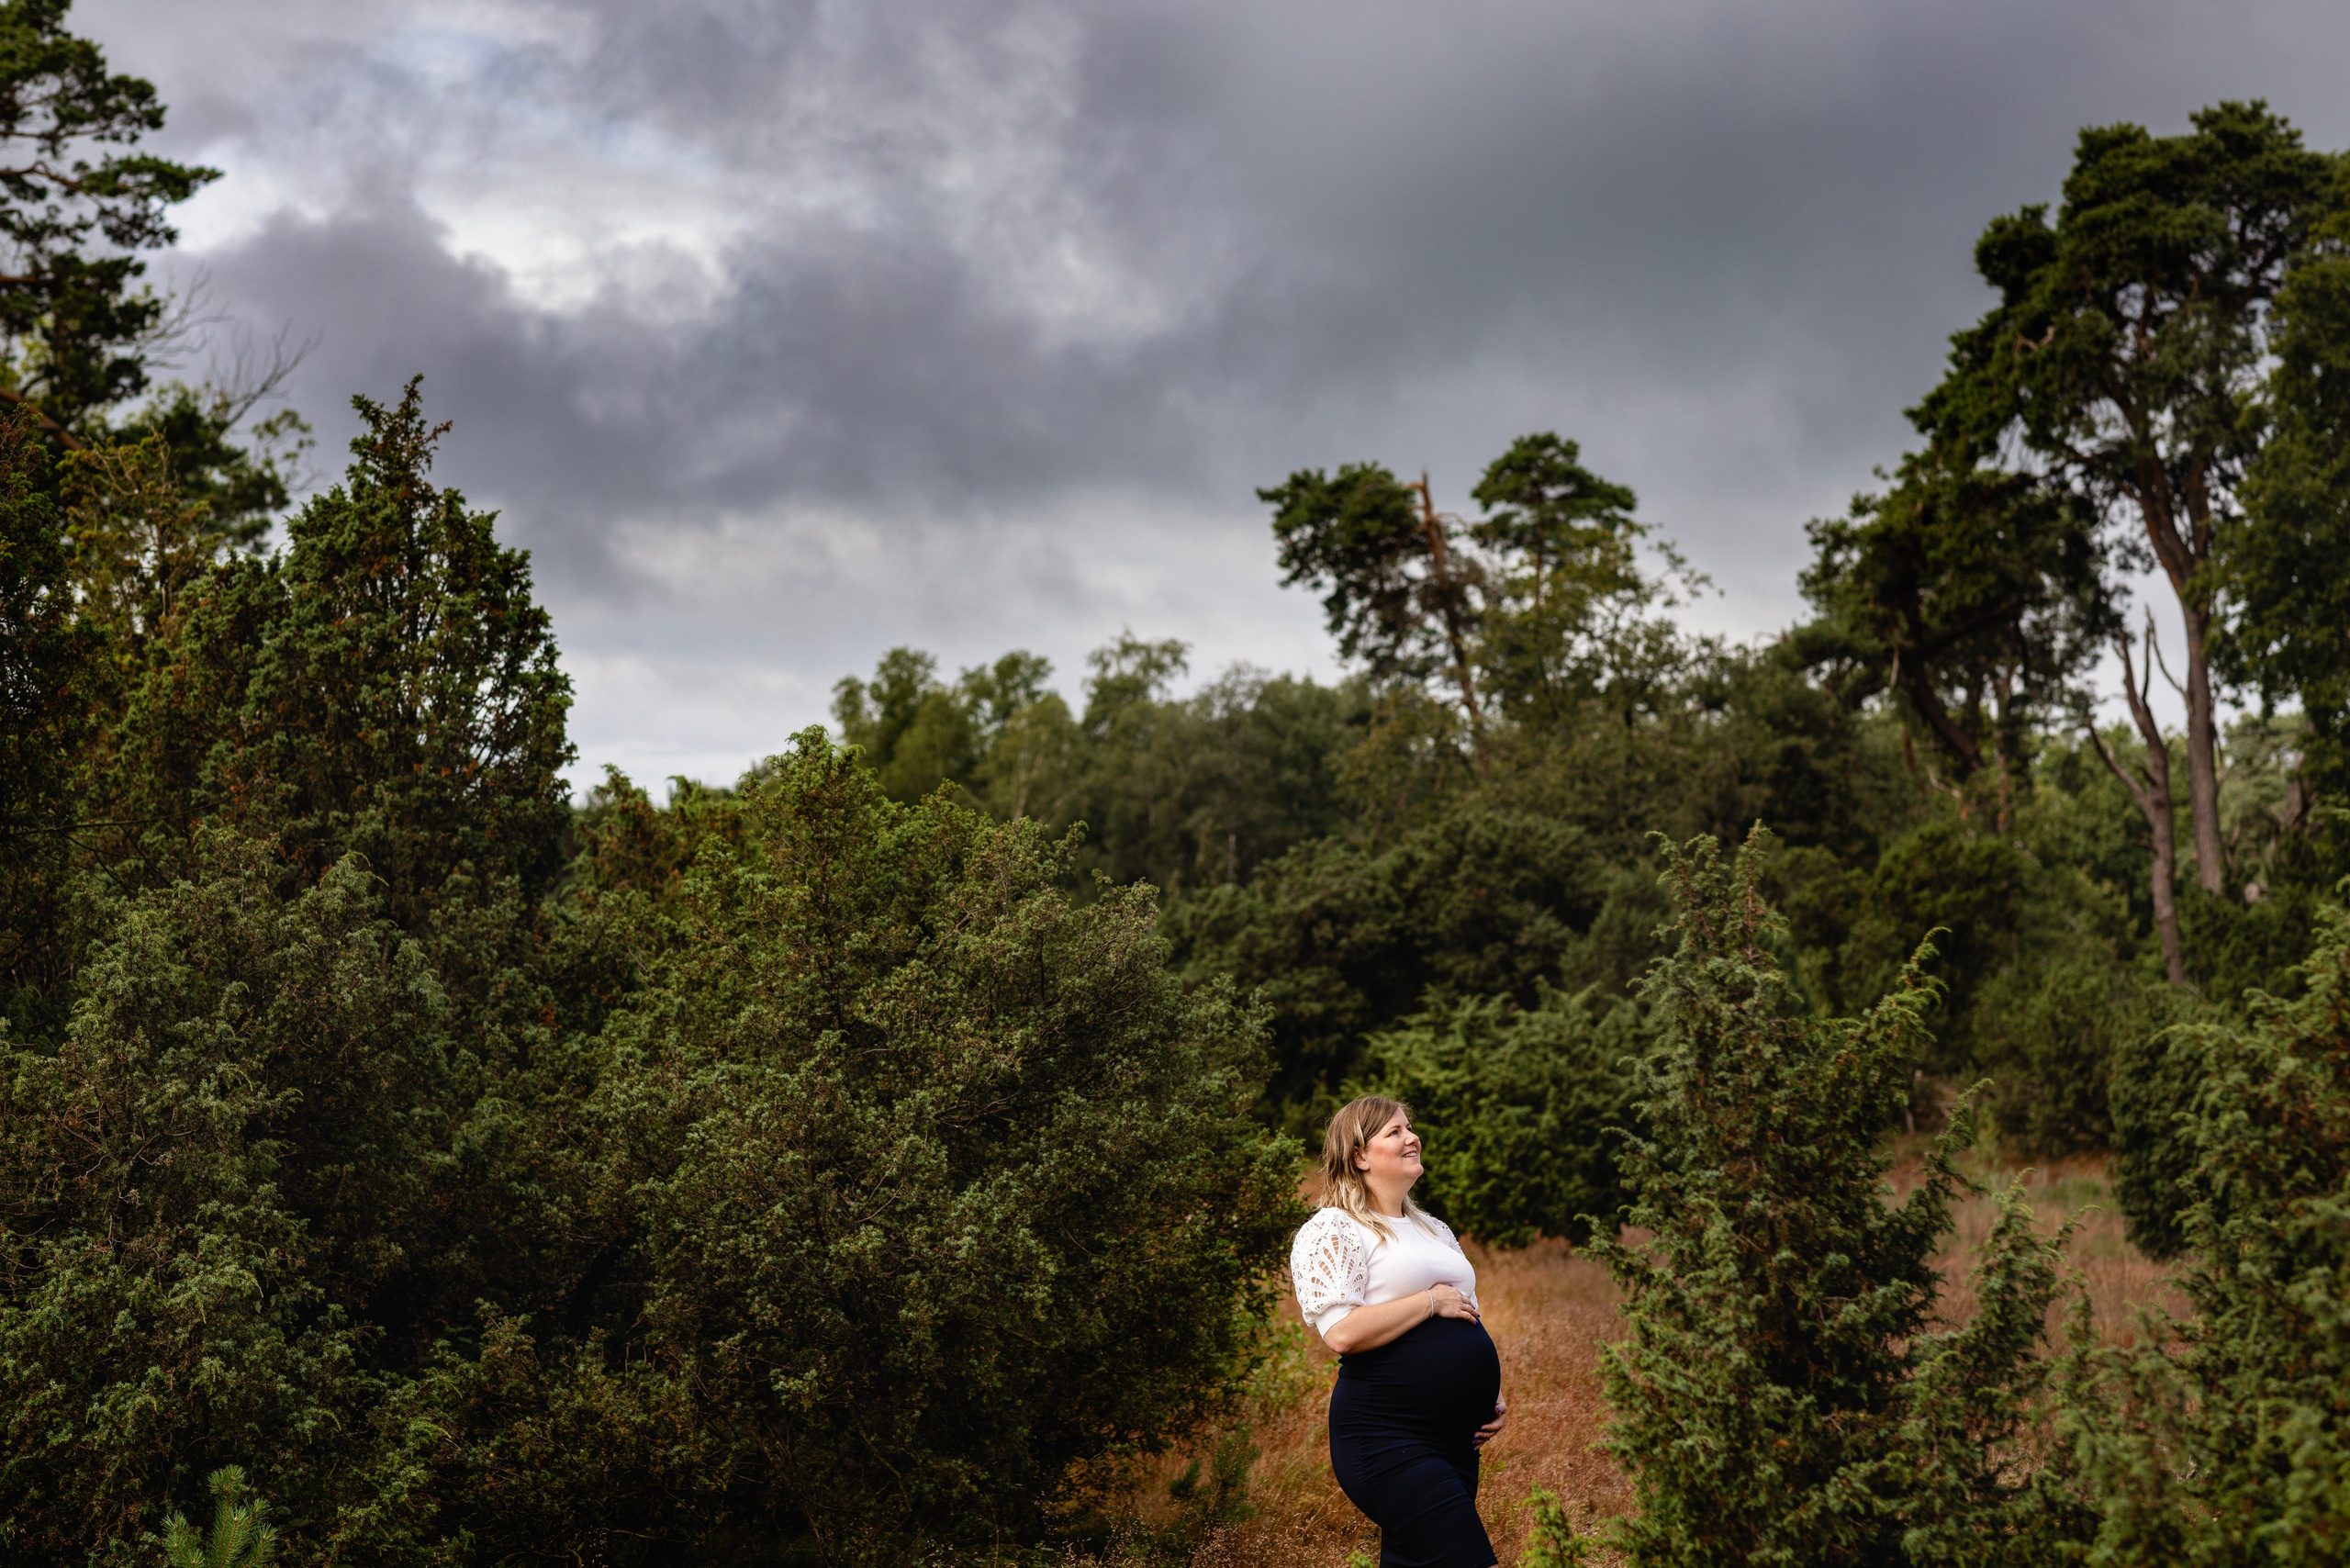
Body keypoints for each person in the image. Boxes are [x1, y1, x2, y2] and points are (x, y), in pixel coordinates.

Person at [1292, 1096, 1506, 1568]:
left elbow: (1465, 1314)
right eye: (1394, 1132)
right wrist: (1429, 1301)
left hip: (1455, 1441)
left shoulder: (1432, 1229)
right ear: (1359, 1156)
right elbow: (1342, 1333)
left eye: (1410, 1128)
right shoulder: (1334, 1228)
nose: (1412, 1137)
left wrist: (1491, 1394)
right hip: (1386, 1437)